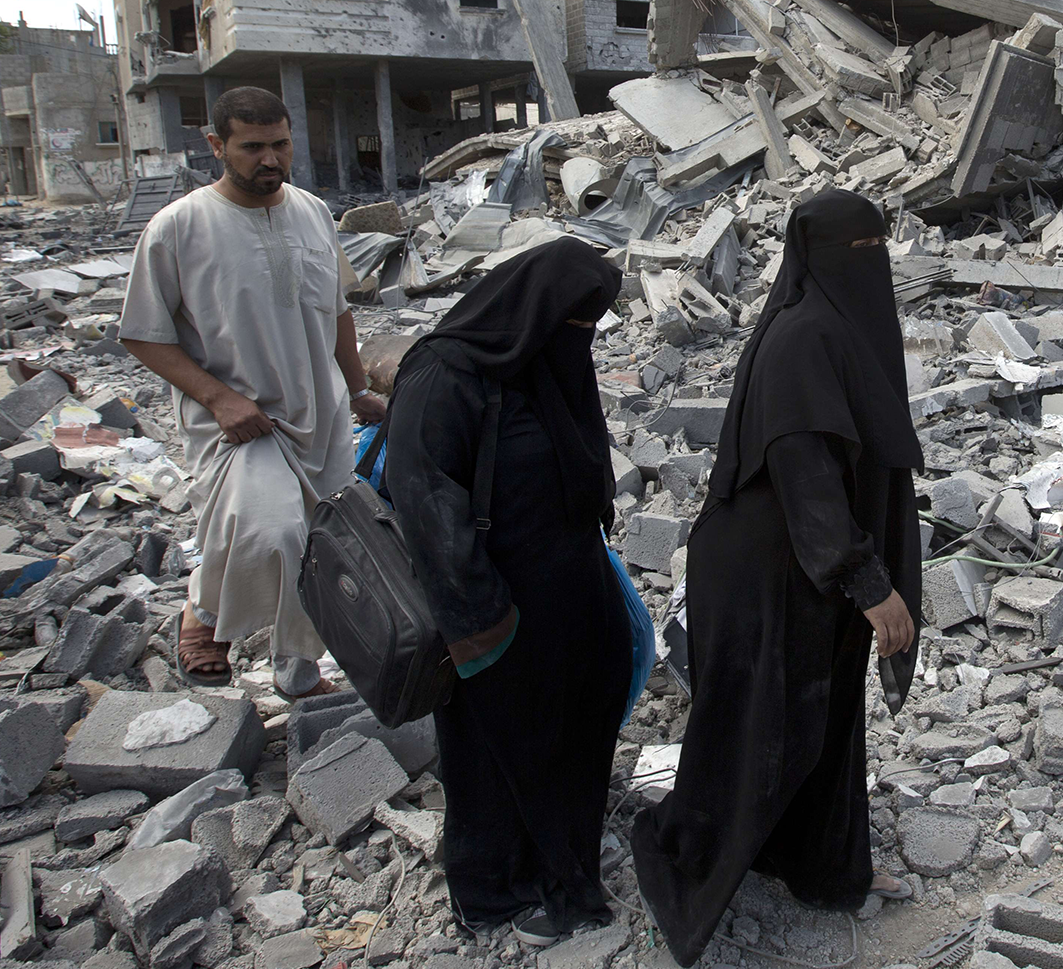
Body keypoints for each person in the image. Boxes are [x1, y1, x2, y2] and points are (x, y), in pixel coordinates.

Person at [632, 190, 922, 966]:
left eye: (879, 247)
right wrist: (867, 582)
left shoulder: (842, 330)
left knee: (819, 717)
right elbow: (806, 476)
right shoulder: (803, 337)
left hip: (806, 561)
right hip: (768, 567)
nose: (874, 264)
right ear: (820, 251)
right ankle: (698, 859)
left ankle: (819, 865)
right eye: (860, 249)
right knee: (762, 723)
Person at [382, 237, 633, 948]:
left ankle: (566, 862)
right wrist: (481, 623)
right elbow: (428, 504)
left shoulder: (544, 366)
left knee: (578, 724)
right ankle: (493, 892)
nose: (580, 339)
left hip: (570, 586)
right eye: (574, 323)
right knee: (500, 749)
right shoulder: (444, 375)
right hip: (495, 608)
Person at [119, 86, 385, 698]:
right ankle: (204, 610)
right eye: (253, 147)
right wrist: (219, 399)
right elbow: (143, 335)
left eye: (281, 145)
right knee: (272, 533)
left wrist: (355, 387)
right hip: (241, 421)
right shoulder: (178, 228)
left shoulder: (314, 211)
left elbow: (337, 310)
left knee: (323, 544)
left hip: (321, 418)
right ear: (217, 146)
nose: (271, 160)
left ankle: (296, 670)